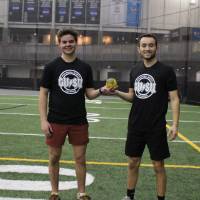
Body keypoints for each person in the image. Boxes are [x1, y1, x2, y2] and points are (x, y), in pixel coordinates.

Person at [39, 28, 105, 200]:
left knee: (80, 158)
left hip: (78, 121)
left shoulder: (84, 67)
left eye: (71, 41)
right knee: (54, 157)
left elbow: (89, 94)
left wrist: (103, 90)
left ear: (76, 43)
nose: (68, 44)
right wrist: (43, 120)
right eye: (64, 42)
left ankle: (81, 193)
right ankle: (54, 192)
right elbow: (43, 93)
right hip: (55, 120)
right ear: (59, 44)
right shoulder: (51, 67)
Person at [113, 34, 180, 200]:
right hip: (136, 125)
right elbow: (132, 97)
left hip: (156, 126)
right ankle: (129, 196)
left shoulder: (166, 71)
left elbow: (174, 98)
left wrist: (175, 124)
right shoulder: (135, 70)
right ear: (139, 49)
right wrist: (116, 92)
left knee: (158, 166)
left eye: (151, 45)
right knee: (132, 162)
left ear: (157, 48)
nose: (147, 48)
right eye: (144, 45)